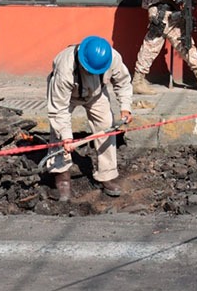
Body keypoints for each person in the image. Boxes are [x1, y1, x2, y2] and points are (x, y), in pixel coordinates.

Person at [46, 35, 134, 202]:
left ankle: (106, 174)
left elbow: (123, 81)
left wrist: (125, 107)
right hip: (68, 96)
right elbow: (59, 109)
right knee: (58, 131)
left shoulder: (111, 57)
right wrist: (66, 137)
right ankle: (62, 176)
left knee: (106, 125)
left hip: (96, 93)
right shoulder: (65, 68)